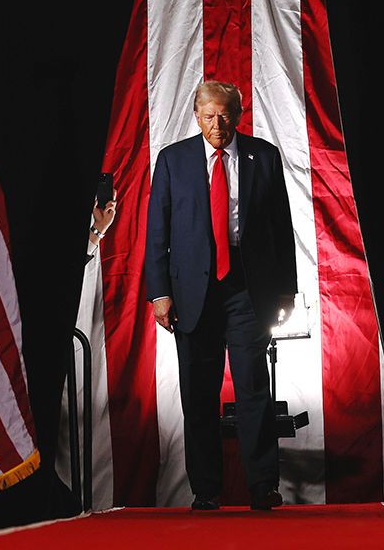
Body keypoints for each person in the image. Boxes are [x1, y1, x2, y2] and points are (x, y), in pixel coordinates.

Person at [144, 80, 297, 511]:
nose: (218, 124)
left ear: (238, 115)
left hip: (248, 290)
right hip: (192, 293)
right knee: (198, 394)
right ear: (196, 116)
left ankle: (262, 486)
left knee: (253, 388)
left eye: (225, 114)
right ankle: (206, 491)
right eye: (209, 115)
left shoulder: (263, 156)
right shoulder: (172, 161)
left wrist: (287, 290)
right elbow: (158, 232)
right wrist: (159, 293)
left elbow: (281, 229)